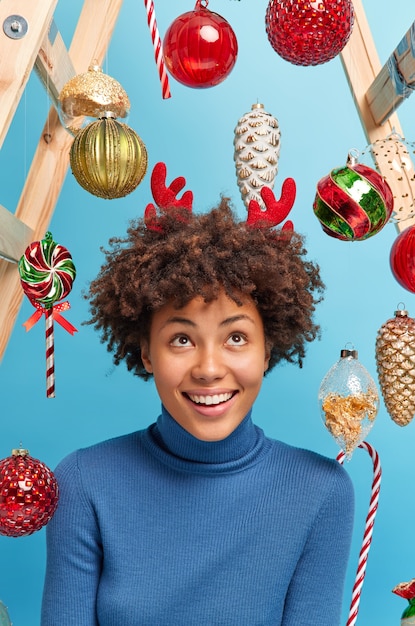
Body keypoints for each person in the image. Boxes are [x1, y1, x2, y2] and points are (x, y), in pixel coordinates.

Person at [41, 177, 354, 625]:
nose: (208, 368)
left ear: (267, 350)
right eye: (182, 338)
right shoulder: (82, 483)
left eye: (237, 337)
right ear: (147, 351)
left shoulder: (322, 493)